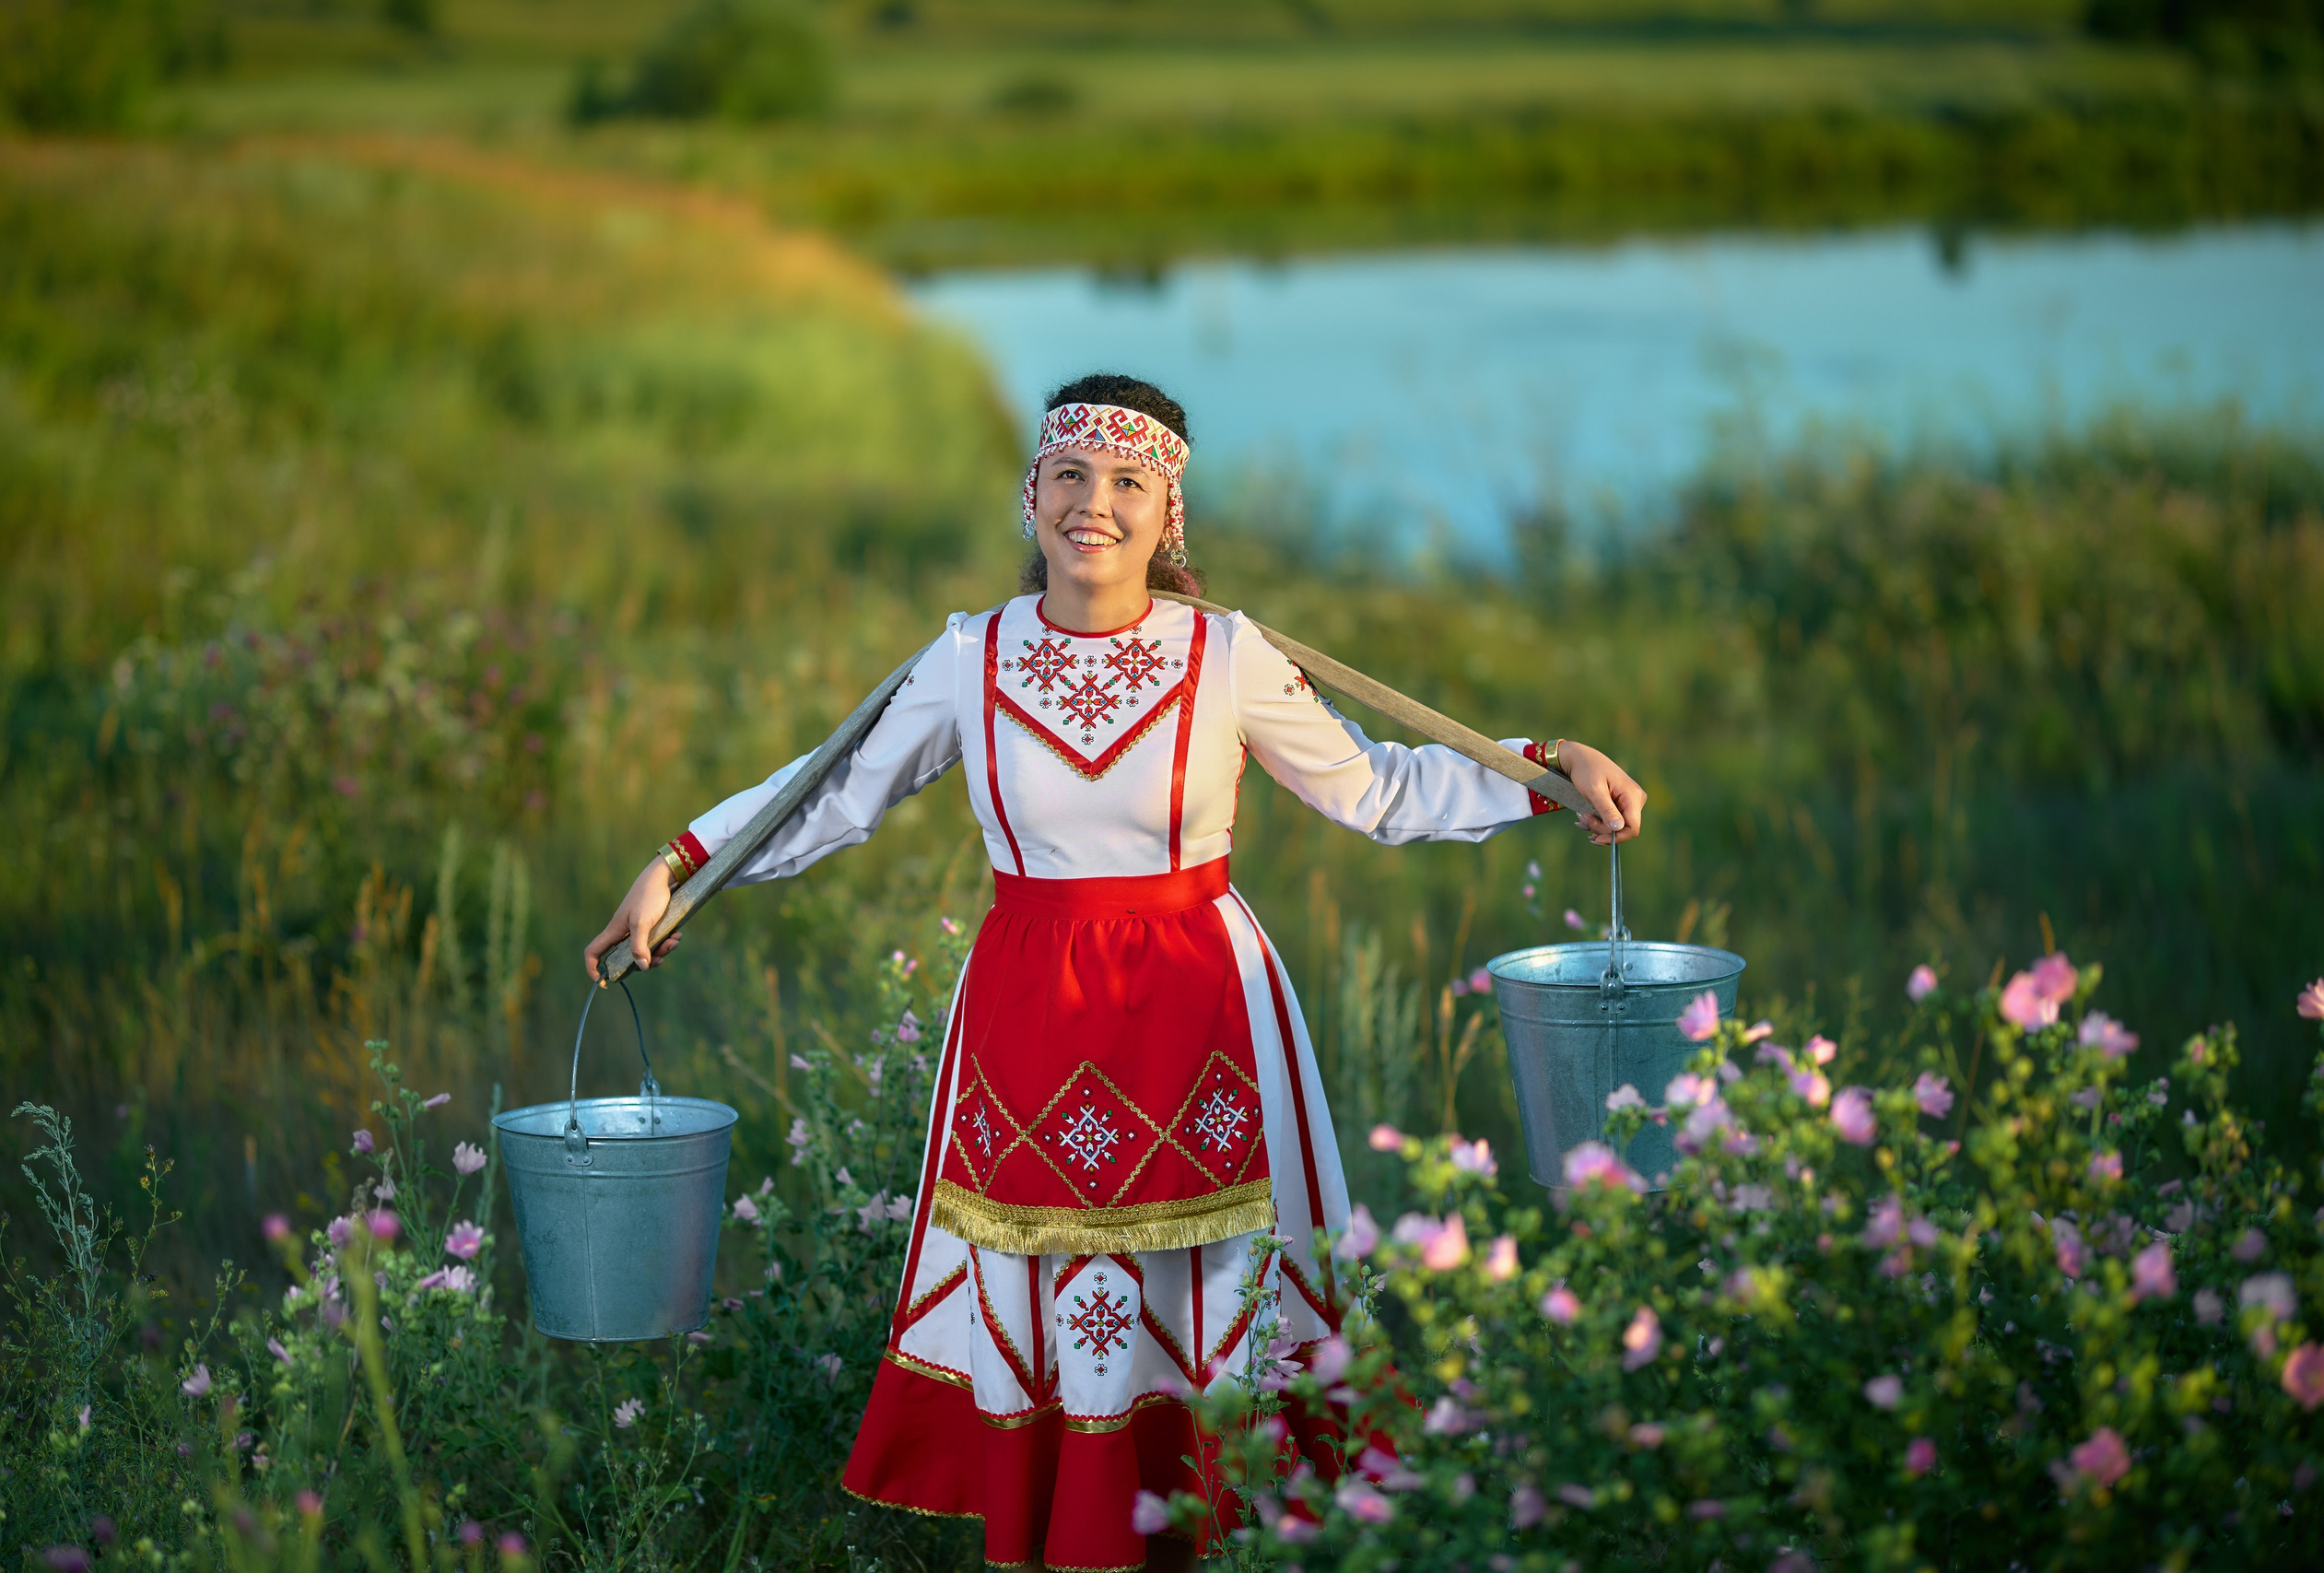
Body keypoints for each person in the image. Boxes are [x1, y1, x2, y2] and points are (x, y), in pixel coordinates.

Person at [584, 373, 1648, 1570]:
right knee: (1063, 1300)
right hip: (1029, 1015)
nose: (1097, 504)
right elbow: (832, 791)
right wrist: (681, 865)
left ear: (1169, 514)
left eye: (1129, 482)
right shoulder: (966, 657)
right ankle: (1078, 1539)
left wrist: (1549, 764)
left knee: (1219, 1298)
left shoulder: (1227, 652)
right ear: (1031, 493)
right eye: (1071, 476)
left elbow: (1382, 790)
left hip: (1211, 1013)